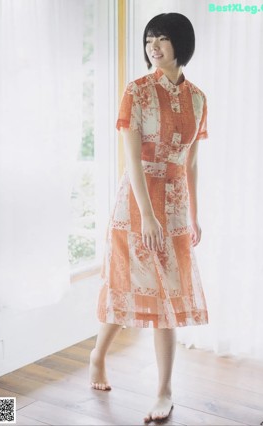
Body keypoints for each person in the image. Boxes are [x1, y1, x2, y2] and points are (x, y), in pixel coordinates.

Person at [89, 12, 209, 423]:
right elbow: (133, 160)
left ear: (181, 44)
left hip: (175, 207)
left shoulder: (197, 98)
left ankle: (164, 391)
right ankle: (97, 355)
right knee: (127, 287)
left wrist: (193, 214)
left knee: (168, 299)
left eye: (161, 39)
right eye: (148, 40)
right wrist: (147, 215)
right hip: (137, 204)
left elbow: (191, 162)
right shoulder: (136, 92)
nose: (152, 47)